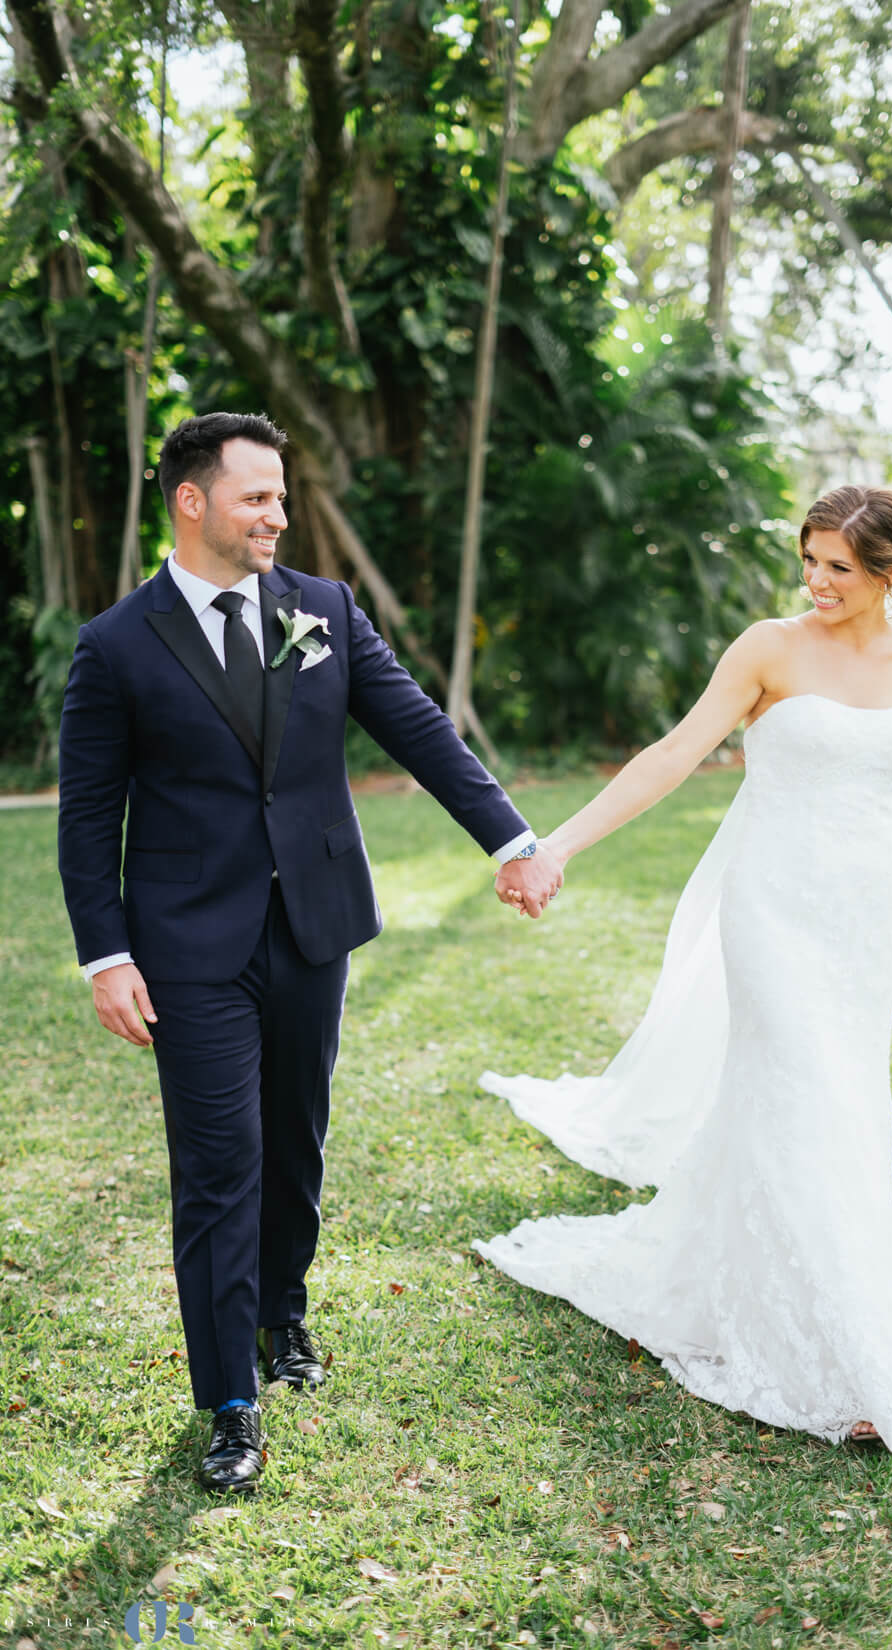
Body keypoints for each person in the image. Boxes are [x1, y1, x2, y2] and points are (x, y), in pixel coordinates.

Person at [58, 412, 562, 1492]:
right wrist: (106, 954)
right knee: (217, 1168)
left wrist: (511, 837)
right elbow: (88, 817)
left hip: (314, 924)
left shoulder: (322, 610)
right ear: (192, 502)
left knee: (294, 1141)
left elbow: (416, 726)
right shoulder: (116, 646)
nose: (278, 516)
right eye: (256, 498)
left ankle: (284, 1315)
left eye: (281, 496)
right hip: (187, 944)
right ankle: (229, 1401)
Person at [476, 485, 892, 1450]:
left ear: (891, 572)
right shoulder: (768, 648)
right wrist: (555, 845)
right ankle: (841, 1356)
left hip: (859, 918)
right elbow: (673, 753)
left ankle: (764, 1291)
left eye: (840, 568)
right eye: (810, 559)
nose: (816, 581)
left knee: (843, 1109)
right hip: (771, 906)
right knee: (800, 1093)